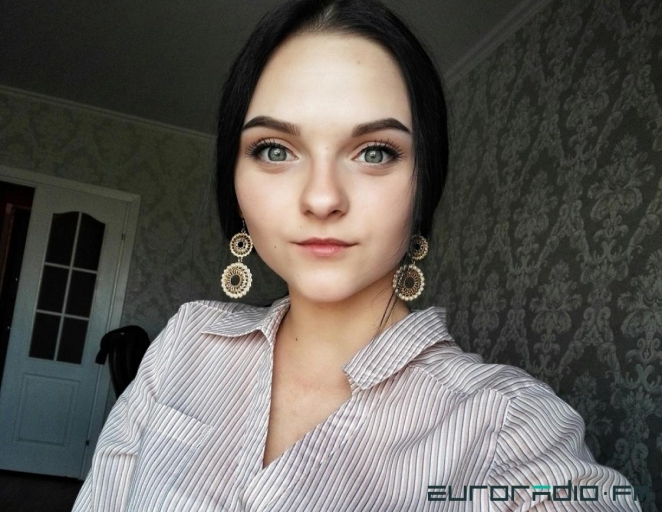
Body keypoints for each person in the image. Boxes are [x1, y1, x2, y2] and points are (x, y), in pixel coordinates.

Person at [73, 0, 643, 510]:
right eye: (275, 149)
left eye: (374, 152)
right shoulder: (187, 343)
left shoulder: (507, 426)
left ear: (424, 182)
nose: (322, 198)